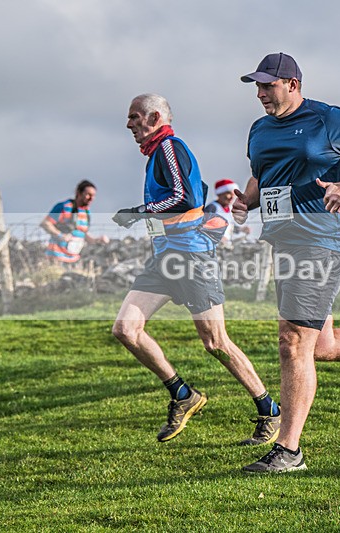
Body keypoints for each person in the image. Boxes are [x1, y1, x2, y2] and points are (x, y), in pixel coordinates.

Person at [232, 53, 340, 473]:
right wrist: (246, 200)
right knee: (323, 344)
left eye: (268, 85)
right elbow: (260, 174)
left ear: (293, 83)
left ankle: (289, 449)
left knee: (292, 342)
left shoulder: (327, 119)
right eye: (257, 86)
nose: (260, 92)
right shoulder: (259, 129)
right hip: (283, 242)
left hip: (320, 240)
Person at [111, 93, 281, 446]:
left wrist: (138, 212)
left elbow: (186, 197)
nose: (129, 124)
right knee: (126, 329)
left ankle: (270, 411)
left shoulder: (170, 147)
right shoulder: (157, 154)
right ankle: (183, 394)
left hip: (190, 258)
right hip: (164, 259)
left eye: (134, 117)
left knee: (216, 342)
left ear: (155, 116)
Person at [41, 180, 109, 263]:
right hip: (56, 258)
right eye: (88, 195)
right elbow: (46, 223)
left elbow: (83, 234)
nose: (91, 198)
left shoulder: (86, 212)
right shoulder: (64, 206)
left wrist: (97, 240)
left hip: (74, 259)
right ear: (79, 193)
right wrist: (60, 235)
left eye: (94, 196)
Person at [204, 179, 252, 246]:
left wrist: (241, 229)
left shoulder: (229, 208)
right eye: (229, 193)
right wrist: (218, 238)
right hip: (213, 246)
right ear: (220, 194)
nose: (232, 197)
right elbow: (203, 227)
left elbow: (228, 228)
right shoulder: (213, 208)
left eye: (233, 194)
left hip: (225, 246)